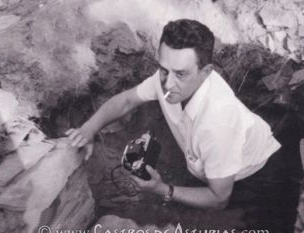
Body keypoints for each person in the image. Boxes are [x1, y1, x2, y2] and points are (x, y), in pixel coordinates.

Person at [66, 19, 281, 210]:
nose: (168, 84)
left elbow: (219, 198)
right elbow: (127, 101)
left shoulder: (217, 123)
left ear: (206, 72)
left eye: (181, 74)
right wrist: (89, 129)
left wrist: (162, 189)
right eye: (163, 69)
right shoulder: (170, 76)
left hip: (251, 173)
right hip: (213, 158)